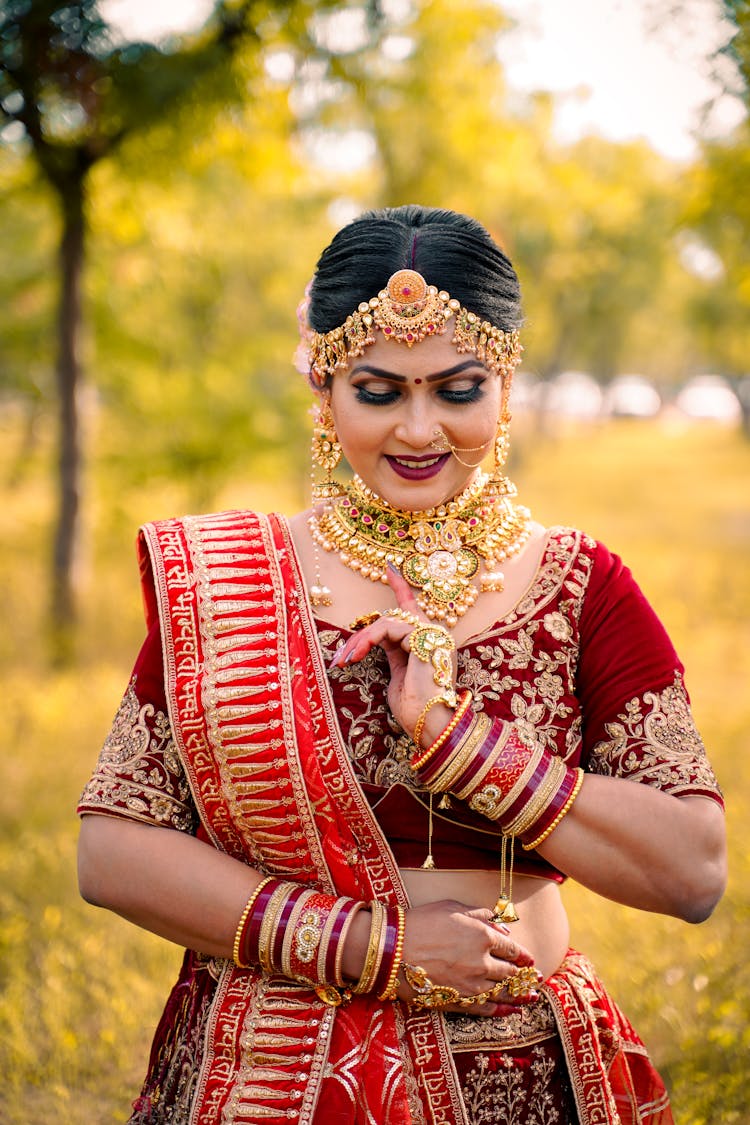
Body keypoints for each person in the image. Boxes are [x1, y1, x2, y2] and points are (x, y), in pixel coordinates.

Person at [77, 205, 726, 1125]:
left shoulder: (580, 584)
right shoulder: (233, 582)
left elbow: (692, 873)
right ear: (325, 387)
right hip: (270, 1070)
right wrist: (379, 947)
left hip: (521, 1076)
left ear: (505, 385)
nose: (419, 430)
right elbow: (112, 849)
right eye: (380, 392)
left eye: (457, 390)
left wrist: (457, 739)